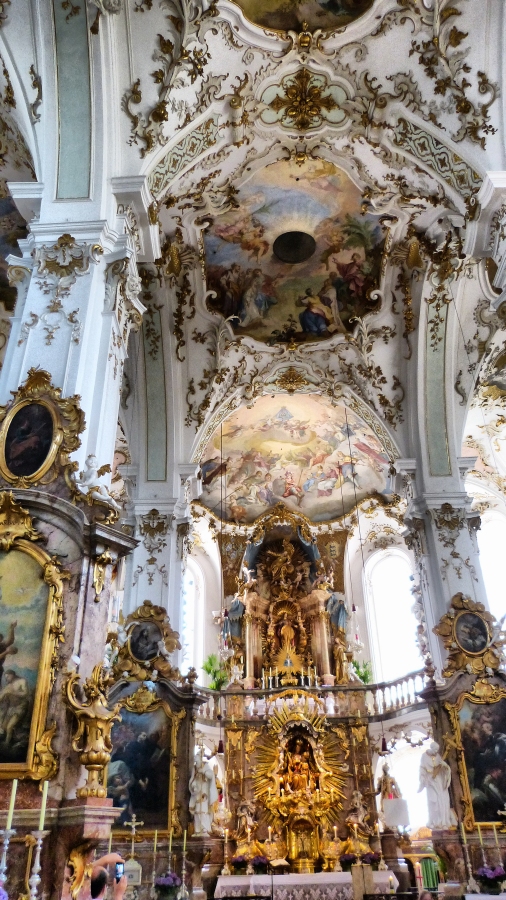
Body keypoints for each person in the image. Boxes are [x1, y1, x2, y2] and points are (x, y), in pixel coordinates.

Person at [418, 741, 457, 829]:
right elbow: (422, 768)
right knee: (433, 801)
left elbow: (443, 767)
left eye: (437, 750)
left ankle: (443, 822)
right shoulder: (424, 756)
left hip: (439, 781)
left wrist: (445, 766)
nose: (436, 751)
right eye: (435, 750)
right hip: (430, 781)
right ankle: (433, 821)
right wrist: (423, 778)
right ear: (431, 748)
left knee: (443, 800)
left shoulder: (438, 756)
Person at [189, 748, 219, 835]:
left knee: (203, 810)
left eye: (197, 756)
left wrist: (204, 772)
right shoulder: (195, 768)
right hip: (196, 792)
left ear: (200, 758)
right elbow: (192, 779)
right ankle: (197, 830)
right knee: (196, 812)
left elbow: (211, 775)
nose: (195, 758)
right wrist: (193, 785)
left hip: (204, 792)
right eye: (195, 756)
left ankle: (205, 829)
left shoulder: (205, 765)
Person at [0, 670, 29, 746]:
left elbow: (26, 693)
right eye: (6, 677)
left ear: (12, 675)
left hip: (20, 706)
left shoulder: (22, 681)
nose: (7, 679)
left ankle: (7, 744)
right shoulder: (8, 686)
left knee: (9, 727)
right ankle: (13, 740)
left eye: (8, 676)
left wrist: (12, 692)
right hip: (11, 708)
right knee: (4, 727)